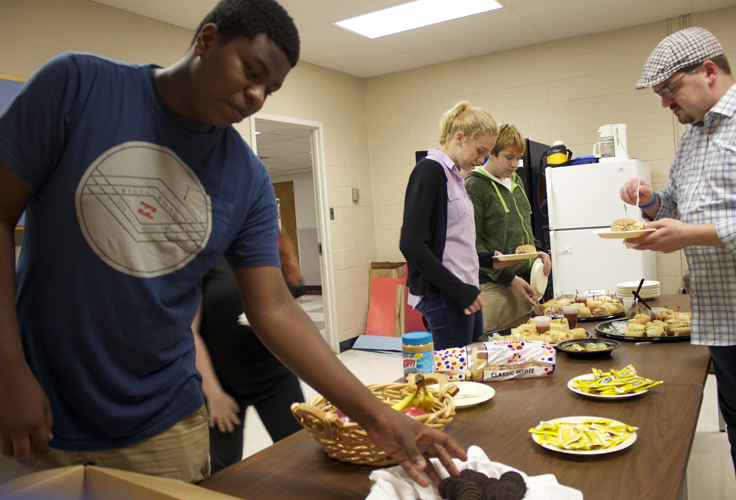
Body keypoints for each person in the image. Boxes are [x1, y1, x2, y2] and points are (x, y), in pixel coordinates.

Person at [0, 0, 466, 487]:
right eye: (251, 71)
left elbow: (275, 310)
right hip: (35, 414)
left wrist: (377, 414)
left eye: (271, 87)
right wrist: (8, 374)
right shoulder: (77, 86)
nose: (256, 96)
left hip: (164, 425)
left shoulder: (246, 177)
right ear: (206, 40)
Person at [619, 27, 736, 499]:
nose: (664, 104)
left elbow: (694, 227)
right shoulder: (695, 135)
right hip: (722, 321)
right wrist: (652, 200)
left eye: (668, 90)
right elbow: (677, 207)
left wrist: (692, 236)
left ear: (709, 72)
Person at [399, 102, 516, 351]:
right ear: (460, 138)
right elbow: (412, 244)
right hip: (446, 293)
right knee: (457, 377)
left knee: (471, 370)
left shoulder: (456, 177)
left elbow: (452, 242)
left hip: (465, 288)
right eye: (480, 150)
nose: (483, 159)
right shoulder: (430, 171)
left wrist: (486, 259)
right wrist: (457, 290)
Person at [191, 229, 305, 475]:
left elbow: (292, 322)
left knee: (303, 452)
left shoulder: (271, 253)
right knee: (225, 469)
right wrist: (213, 395)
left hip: (276, 380)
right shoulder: (205, 258)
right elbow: (189, 333)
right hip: (222, 387)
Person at [465, 124, 549, 332]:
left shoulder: (516, 180)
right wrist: (510, 279)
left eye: (518, 158)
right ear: (491, 153)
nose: (515, 164)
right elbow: (473, 245)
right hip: (495, 287)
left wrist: (539, 251)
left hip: (525, 283)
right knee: (496, 352)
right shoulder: (474, 186)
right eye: (509, 157)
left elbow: (524, 226)